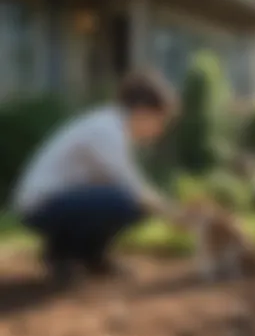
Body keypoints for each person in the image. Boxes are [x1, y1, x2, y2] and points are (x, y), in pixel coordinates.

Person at [12, 69, 183, 283]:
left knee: (124, 200)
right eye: (160, 121)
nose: (159, 130)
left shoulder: (112, 125)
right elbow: (133, 186)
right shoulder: (106, 130)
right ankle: (61, 255)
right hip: (41, 206)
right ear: (142, 111)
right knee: (126, 201)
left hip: (53, 202)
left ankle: (92, 257)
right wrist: (176, 214)